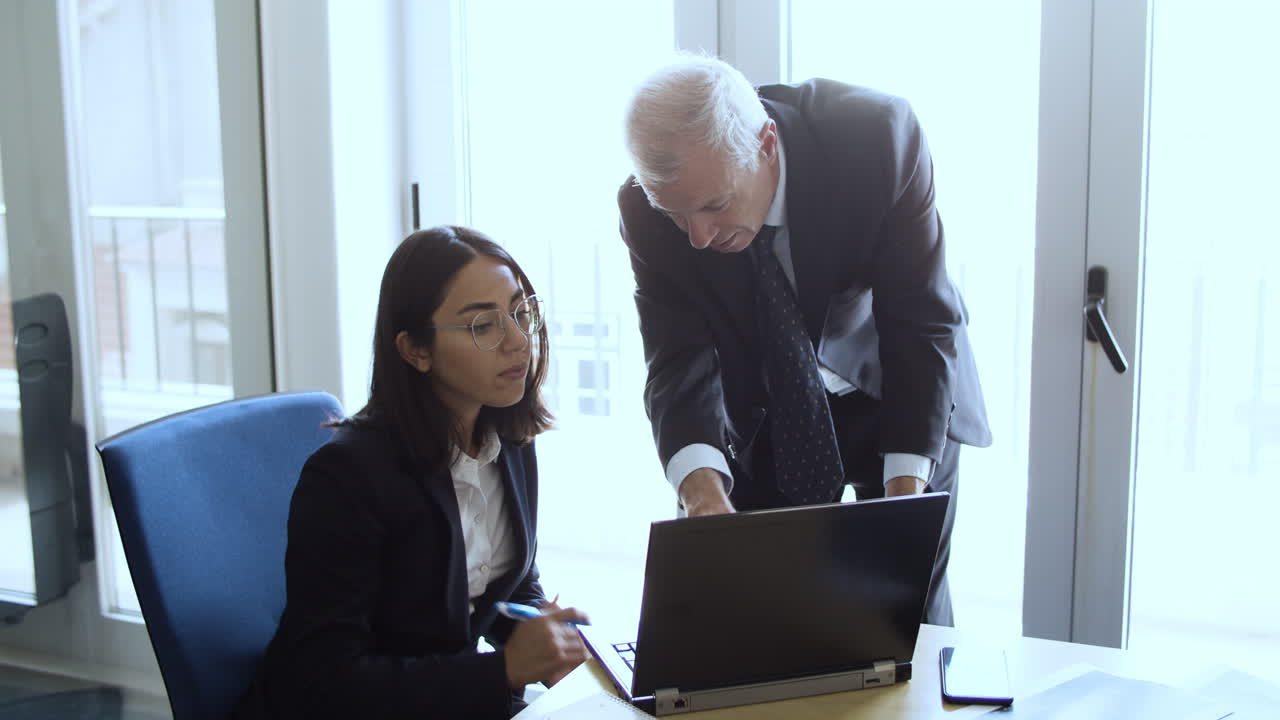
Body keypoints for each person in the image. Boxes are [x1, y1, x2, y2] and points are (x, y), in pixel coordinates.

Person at [617, 55, 991, 626]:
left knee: (906, 610)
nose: (697, 237)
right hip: (771, 408)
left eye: (715, 205)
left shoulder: (875, 139)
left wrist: (905, 493)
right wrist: (700, 492)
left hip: (894, 386)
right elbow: (676, 358)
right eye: (677, 215)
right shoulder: (646, 209)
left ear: (766, 144)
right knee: (760, 616)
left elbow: (920, 318)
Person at [234, 226, 589, 719]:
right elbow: (320, 683)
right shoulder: (347, 477)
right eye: (482, 326)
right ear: (415, 350)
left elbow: (501, 578)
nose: (517, 340)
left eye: (520, 312)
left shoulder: (507, 438)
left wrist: (543, 634)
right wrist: (503, 669)